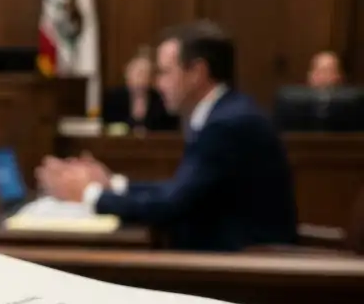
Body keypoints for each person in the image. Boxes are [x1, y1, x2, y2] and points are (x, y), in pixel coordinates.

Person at [36, 20, 297, 252]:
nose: (157, 84)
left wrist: (88, 194)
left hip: (243, 266)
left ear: (196, 72)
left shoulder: (227, 124)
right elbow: (181, 189)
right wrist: (113, 184)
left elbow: (171, 204)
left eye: (164, 72)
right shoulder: (226, 113)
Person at [101, 50, 178, 132]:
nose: (142, 78)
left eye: (146, 74)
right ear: (128, 75)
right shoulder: (114, 97)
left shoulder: (160, 99)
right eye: (138, 74)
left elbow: (168, 128)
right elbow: (107, 125)